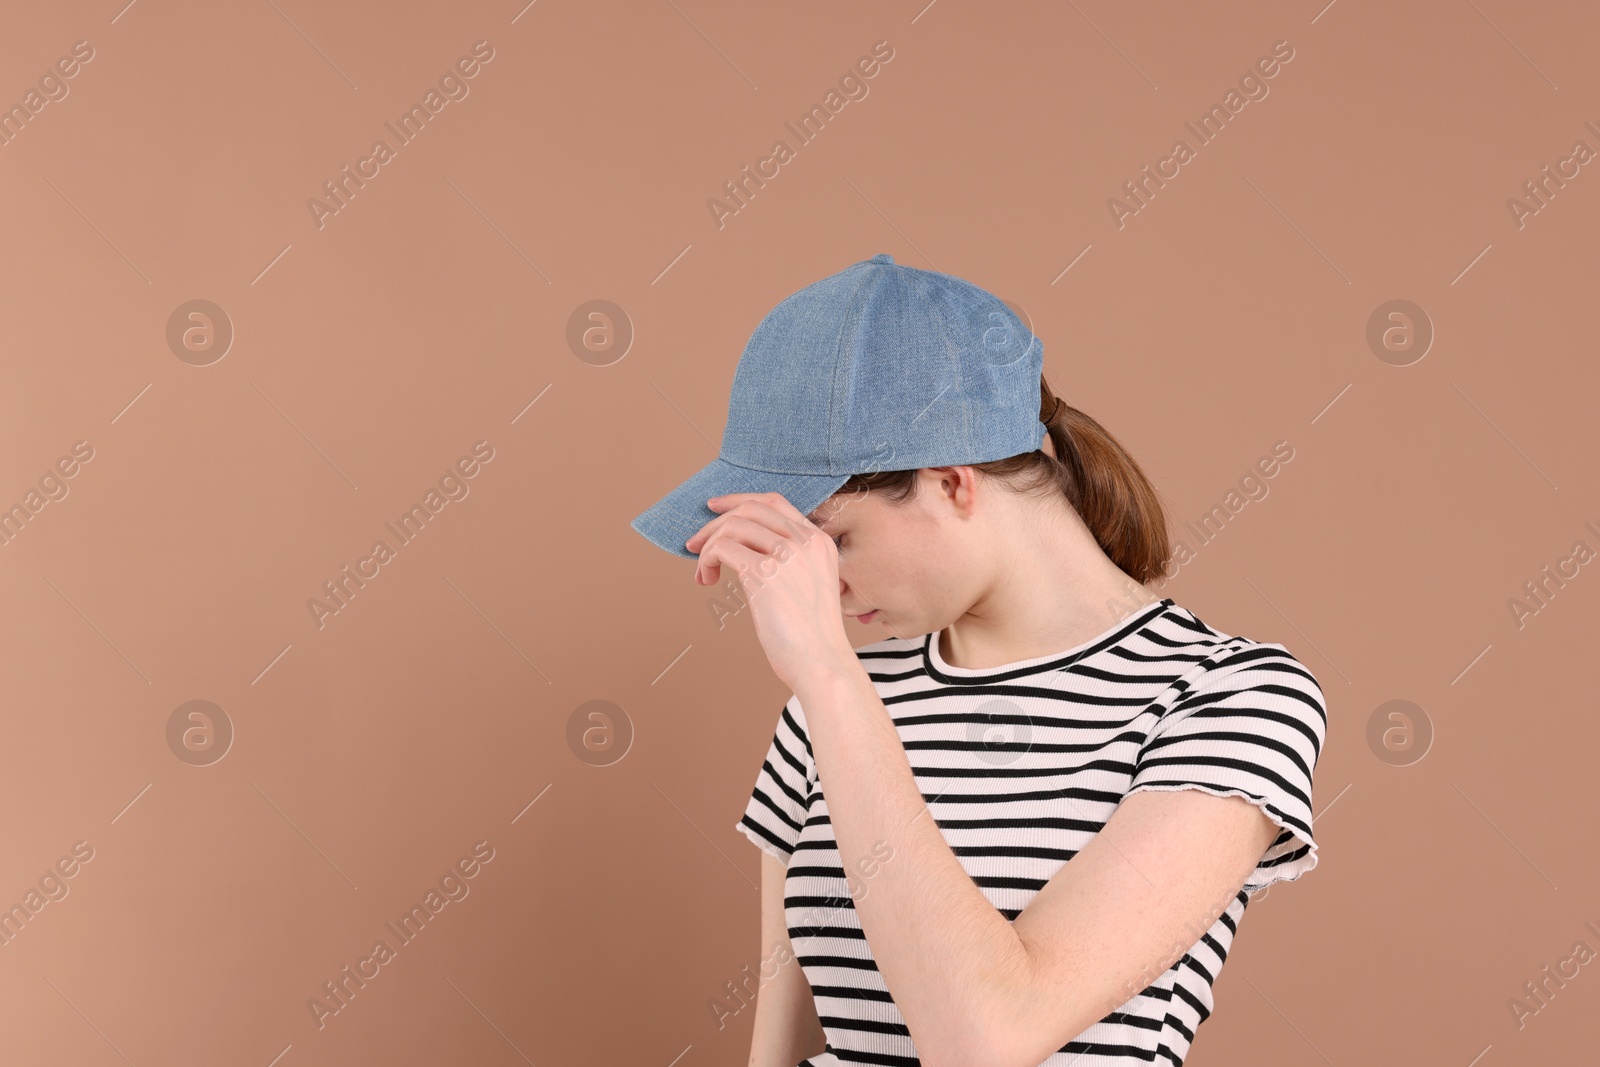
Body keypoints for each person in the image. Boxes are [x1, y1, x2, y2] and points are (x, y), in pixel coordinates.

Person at [629, 254, 1327, 1067]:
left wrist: (828, 678)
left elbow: (987, 1038)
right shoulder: (836, 698)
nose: (815, 579)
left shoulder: (1229, 699)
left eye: (835, 537)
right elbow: (784, 1040)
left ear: (954, 483)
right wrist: (830, 691)